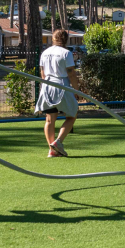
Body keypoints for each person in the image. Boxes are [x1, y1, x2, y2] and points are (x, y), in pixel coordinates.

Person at [37, 28, 81, 157]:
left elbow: (42, 73)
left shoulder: (45, 53)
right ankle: (58, 143)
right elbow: (71, 73)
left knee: (49, 119)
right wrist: (76, 90)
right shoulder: (66, 53)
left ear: (53, 38)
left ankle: (51, 149)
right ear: (66, 39)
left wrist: (45, 86)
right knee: (72, 115)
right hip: (62, 85)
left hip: (47, 86)